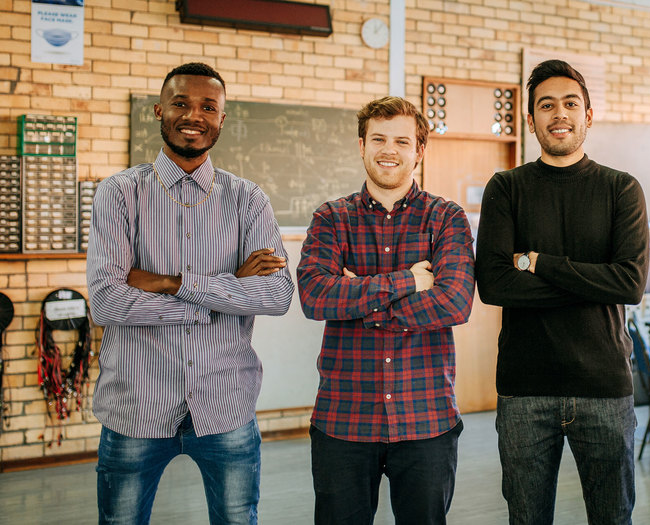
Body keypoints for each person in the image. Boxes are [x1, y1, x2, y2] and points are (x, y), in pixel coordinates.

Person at [86, 62, 294, 525]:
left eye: (207, 106)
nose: (193, 115)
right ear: (159, 110)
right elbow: (106, 301)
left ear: (222, 118)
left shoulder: (248, 200)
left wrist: (170, 282)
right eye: (181, 103)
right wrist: (226, 290)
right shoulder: (119, 194)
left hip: (225, 406)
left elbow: (277, 296)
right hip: (136, 406)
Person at [475, 59, 649, 525]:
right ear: (531, 120)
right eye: (546, 105)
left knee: (613, 518)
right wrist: (594, 282)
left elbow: (629, 284)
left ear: (588, 115)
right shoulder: (506, 189)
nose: (559, 114)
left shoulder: (621, 189)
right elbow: (493, 285)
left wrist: (539, 264)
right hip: (524, 390)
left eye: (571, 103)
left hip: (605, 388)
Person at [296, 96, 475, 525]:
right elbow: (315, 297)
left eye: (401, 140)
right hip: (344, 420)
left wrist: (358, 294)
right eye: (378, 138)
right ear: (362, 145)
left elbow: (454, 302)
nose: (389, 149)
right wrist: (408, 282)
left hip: (426, 418)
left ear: (419, 150)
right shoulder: (331, 218)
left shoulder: (447, 218)